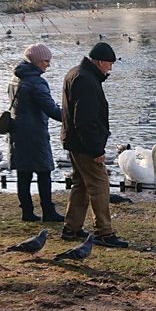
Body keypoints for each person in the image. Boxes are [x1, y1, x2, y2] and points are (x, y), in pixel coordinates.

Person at [60, 42, 128, 248]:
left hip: (74, 142)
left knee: (81, 184)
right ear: (99, 62)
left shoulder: (77, 74)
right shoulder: (86, 80)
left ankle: (71, 228)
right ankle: (104, 232)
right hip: (84, 145)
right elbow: (85, 120)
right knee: (100, 185)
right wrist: (96, 149)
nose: (110, 69)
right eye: (109, 64)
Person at [8, 43, 64, 222]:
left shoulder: (15, 78)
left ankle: (27, 212)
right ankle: (48, 211)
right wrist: (72, 117)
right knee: (44, 171)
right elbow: (51, 109)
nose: (48, 64)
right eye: (46, 61)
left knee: (23, 173)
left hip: (17, 131)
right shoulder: (36, 82)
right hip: (34, 133)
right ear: (37, 61)